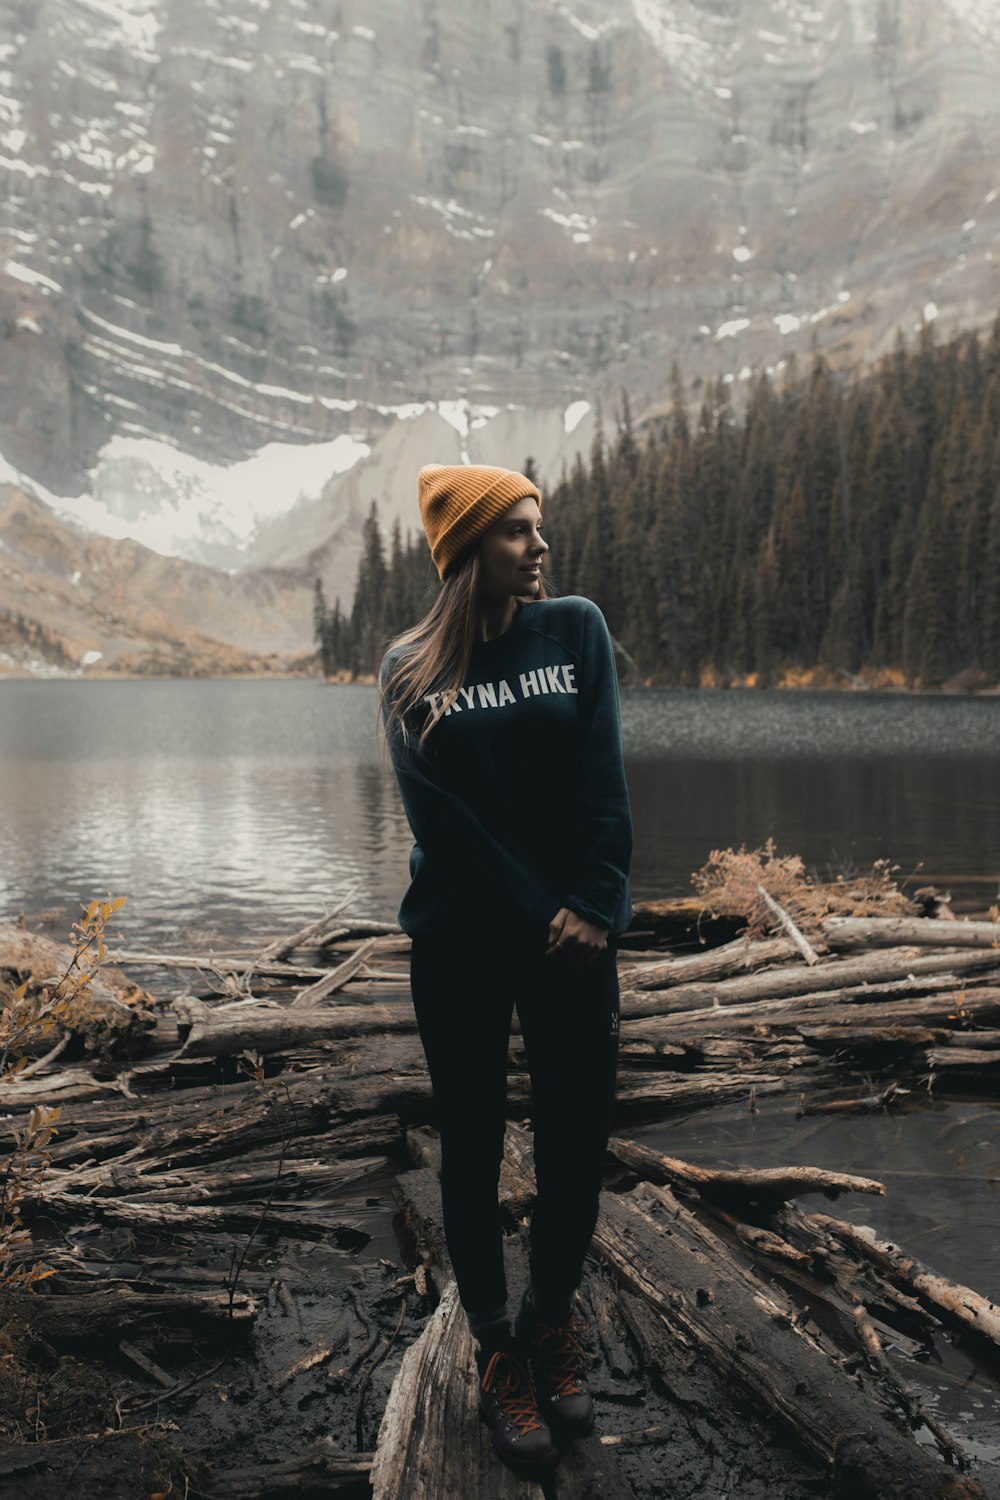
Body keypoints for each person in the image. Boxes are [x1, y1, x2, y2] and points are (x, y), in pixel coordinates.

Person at [379, 464, 633, 1469]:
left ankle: (549, 1317)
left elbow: (605, 782)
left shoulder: (575, 631)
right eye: (519, 532)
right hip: (461, 941)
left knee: (577, 1141)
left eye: (540, 527)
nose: (542, 547)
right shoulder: (408, 667)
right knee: (474, 1145)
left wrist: (599, 900)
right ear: (467, 551)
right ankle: (492, 1346)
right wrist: (552, 915)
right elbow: (447, 829)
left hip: (579, 934)